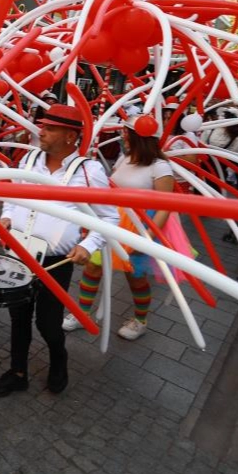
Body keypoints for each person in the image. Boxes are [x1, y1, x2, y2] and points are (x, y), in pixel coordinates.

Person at [0, 104, 117, 396]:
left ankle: (59, 360)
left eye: (49, 128)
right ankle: (18, 372)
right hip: (20, 255)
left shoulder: (89, 171)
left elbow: (109, 217)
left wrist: (87, 244)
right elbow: (14, 195)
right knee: (18, 317)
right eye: (42, 126)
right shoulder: (29, 159)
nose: (41, 131)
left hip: (56, 262)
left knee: (48, 323)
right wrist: (8, 215)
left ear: (70, 136)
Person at [63, 117, 176, 340]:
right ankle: (82, 313)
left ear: (137, 136)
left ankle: (140, 320)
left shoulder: (160, 166)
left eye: (126, 132)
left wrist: (148, 238)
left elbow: (166, 206)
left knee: (135, 276)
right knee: (93, 268)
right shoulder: (126, 159)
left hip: (139, 227)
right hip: (111, 221)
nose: (122, 135)